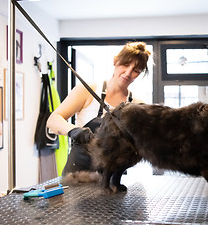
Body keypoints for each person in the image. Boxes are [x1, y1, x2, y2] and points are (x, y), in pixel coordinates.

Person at [46, 41, 151, 181]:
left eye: (136, 70)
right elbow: (53, 120)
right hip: (77, 177)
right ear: (115, 61)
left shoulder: (137, 105)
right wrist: (74, 131)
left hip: (112, 180)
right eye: (125, 65)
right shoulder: (87, 91)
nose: (128, 73)